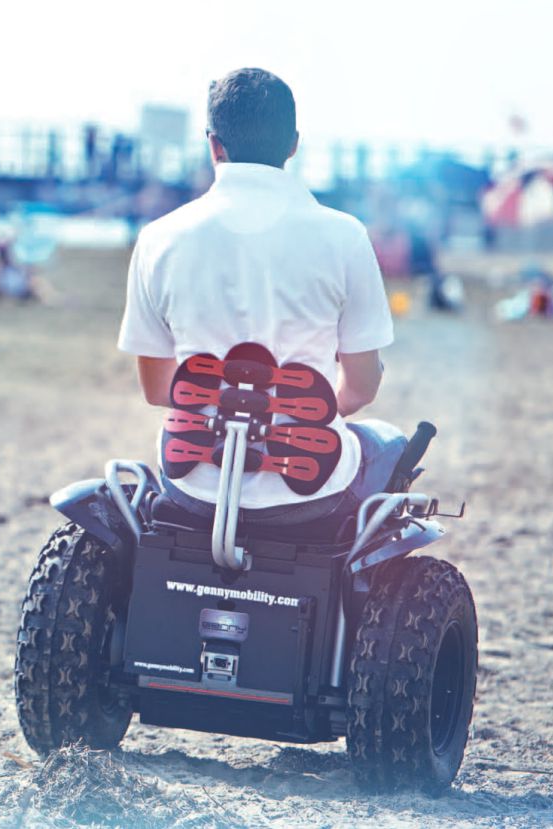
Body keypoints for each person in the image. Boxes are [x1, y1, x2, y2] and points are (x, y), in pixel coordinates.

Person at [117, 68, 402, 522]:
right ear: (293, 144)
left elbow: (157, 389)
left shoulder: (158, 238)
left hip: (194, 479)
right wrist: (317, 411)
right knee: (389, 442)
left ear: (214, 144)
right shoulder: (345, 236)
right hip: (310, 483)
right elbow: (363, 386)